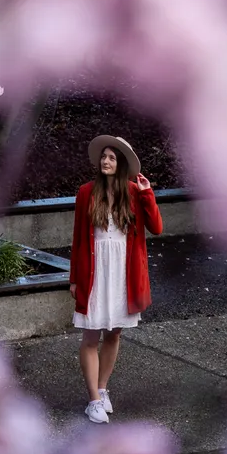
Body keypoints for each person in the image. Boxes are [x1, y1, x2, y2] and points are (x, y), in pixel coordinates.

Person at [69, 135, 163, 423]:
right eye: (104, 157)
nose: (106, 161)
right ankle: (93, 401)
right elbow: (77, 239)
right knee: (90, 335)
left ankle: (102, 388)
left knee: (114, 332)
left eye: (112, 157)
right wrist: (74, 278)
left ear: (120, 164)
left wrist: (147, 193)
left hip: (123, 270)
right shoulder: (86, 192)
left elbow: (157, 228)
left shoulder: (135, 192)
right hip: (95, 269)